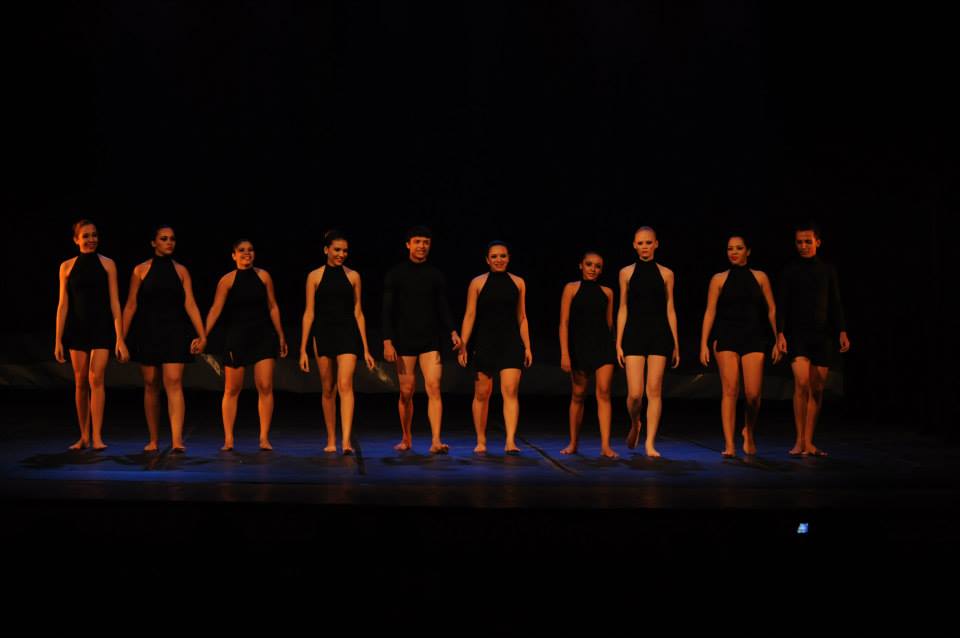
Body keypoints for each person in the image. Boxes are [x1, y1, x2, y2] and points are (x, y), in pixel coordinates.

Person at [122, 225, 206, 453]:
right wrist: (121, 338)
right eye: (164, 239)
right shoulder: (140, 270)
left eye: (172, 239)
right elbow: (130, 305)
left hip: (175, 331)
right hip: (148, 331)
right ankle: (153, 439)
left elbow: (190, 303)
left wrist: (202, 334)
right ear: (153, 243)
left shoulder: (181, 271)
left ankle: (177, 439)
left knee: (174, 381)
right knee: (151, 384)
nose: (169, 242)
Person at [382, 226, 461, 453]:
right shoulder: (395, 274)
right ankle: (406, 437)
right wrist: (387, 340)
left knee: (434, 387)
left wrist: (452, 331)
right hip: (404, 339)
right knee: (406, 392)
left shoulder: (435, 275)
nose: (422, 246)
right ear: (408, 244)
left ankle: (436, 440)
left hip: (430, 339)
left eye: (426, 242)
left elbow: (442, 306)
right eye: (417, 241)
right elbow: (387, 310)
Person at [699, 235, 780, 457]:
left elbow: (772, 309)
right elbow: (710, 311)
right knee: (730, 390)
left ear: (748, 251)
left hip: (753, 336)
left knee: (753, 394)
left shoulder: (760, 277)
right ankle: (729, 444)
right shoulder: (718, 279)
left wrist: (778, 337)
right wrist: (703, 343)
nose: (733, 252)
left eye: (739, 248)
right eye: (730, 248)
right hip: (726, 336)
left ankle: (748, 431)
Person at [204, 239, 288, 451]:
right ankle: (229, 439)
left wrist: (280, 335)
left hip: (263, 336)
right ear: (234, 255)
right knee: (232, 388)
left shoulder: (264, 276)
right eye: (241, 250)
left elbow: (273, 306)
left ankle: (264, 438)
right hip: (237, 337)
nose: (246, 253)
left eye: (250, 250)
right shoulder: (227, 280)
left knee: (265, 386)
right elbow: (215, 309)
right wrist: (203, 334)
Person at [54, 220, 129, 450]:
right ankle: (84, 436)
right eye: (86, 236)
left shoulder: (108, 264)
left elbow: (115, 302)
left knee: (96, 379)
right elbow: (63, 305)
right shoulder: (66, 267)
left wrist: (120, 337)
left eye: (94, 235)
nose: (91, 239)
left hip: (101, 327)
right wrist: (58, 339)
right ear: (76, 240)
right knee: (80, 382)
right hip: (77, 328)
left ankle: (97, 436)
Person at [777, 222, 850, 457]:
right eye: (799, 242)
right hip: (797, 334)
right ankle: (799, 440)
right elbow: (782, 304)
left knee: (817, 388)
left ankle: (809, 441)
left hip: (822, 335)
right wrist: (780, 333)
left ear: (818, 242)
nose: (803, 246)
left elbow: (835, 302)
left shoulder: (828, 270)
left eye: (808, 241)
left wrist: (842, 331)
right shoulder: (790, 271)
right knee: (801, 383)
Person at [300, 230, 376, 455]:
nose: (342, 254)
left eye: (345, 250)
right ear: (326, 250)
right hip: (323, 333)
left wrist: (366, 348)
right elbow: (309, 313)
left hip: (347, 334)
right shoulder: (314, 276)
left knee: (345, 384)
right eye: (337, 250)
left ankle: (346, 441)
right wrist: (303, 349)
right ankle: (331, 438)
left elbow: (358, 312)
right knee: (328, 388)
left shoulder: (353, 276)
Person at [458, 241, 532, 454]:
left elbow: (522, 316)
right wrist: (463, 345)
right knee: (482, 393)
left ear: (508, 258)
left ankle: (510, 440)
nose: (499, 260)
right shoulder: (477, 283)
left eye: (503, 256)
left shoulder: (518, 282)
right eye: (494, 256)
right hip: (485, 342)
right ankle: (481, 440)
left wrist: (527, 346)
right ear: (487, 260)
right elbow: (470, 315)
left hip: (511, 343)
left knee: (510, 391)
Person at [616, 226, 679, 458]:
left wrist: (676, 342)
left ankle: (650, 442)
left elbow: (670, 308)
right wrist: (618, 341)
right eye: (641, 243)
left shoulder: (667, 274)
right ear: (634, 245)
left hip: (659, 333)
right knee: (635, 394)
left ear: (656, 244)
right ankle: (635, 423)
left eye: (648, 242)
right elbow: (623, 307)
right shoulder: (626, 273)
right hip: (634, 333)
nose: (645, 246)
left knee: (654, 390)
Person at [558, 251, 617, 458]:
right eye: (589, 264)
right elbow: (564, 323)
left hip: (603, 347)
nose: (593, 269)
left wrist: (616, 346)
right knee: (578, 395)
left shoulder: (608, 292)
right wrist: (565, 353)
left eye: (597, 266)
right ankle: (573, 443)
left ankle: (606, 446)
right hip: (579, 347)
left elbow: (609, 324)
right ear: (581, 265)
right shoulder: (571, 288)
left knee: (604, 393)